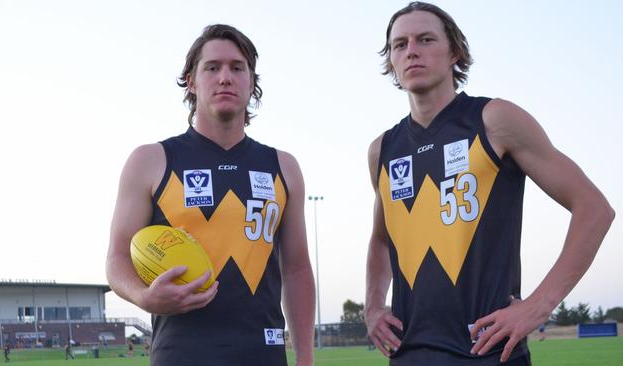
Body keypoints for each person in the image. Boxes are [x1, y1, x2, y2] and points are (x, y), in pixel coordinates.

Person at [364, 2, 615, 365]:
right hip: (409, 354)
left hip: (488, 351)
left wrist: (538, 305)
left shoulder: (494, 120)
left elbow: (595, 209)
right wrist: (372, 306)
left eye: (425, 39)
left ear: (455, 52)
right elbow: (381, 238)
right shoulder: (383, 150)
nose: (411, 50)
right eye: (399, 44)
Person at [105, 24, 315, 366]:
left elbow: (296, 269)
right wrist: (145, 297)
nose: (225, 78)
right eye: (212, 67)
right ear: (191, 80)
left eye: (237, 68)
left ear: (251, 82)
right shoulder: (150, 161)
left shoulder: (283, 167)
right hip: (181, 354)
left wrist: (305, 357)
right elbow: (117, 258)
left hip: (263, 353)